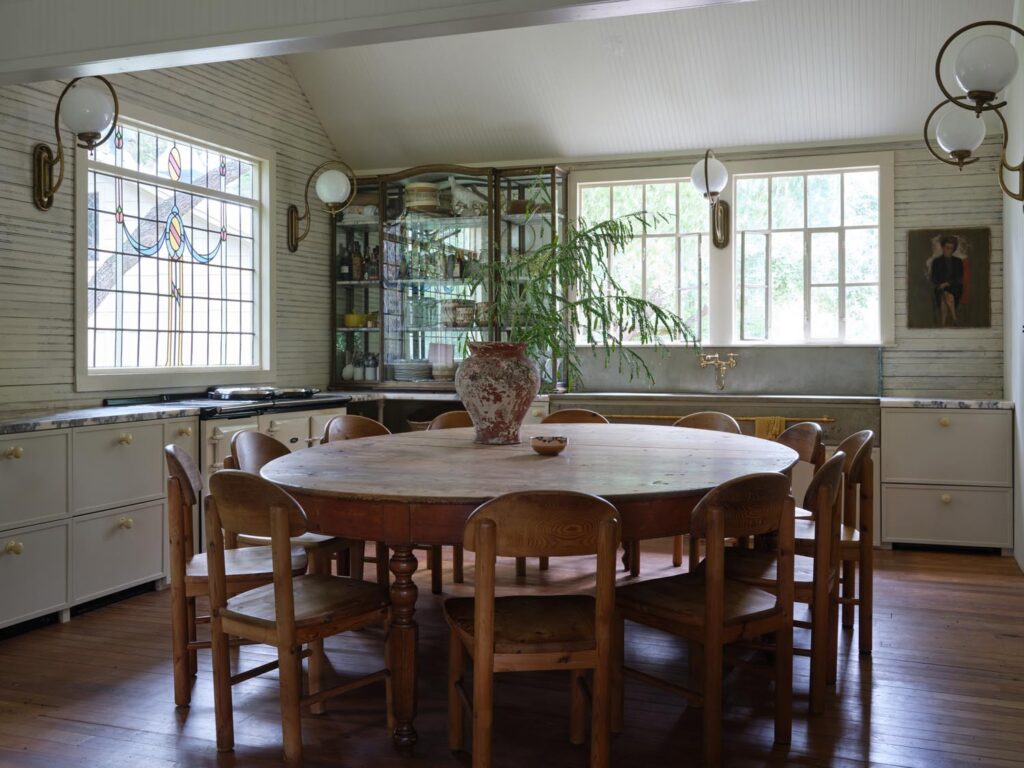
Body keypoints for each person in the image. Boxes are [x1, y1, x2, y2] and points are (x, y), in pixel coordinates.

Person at [929, 235, 964, 327]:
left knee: (947, 296)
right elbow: (933, 278)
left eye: (951, 248)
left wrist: (947, 283)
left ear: (954, 249)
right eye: (947, 247)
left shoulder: (958, 261)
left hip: (955, 287)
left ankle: (943, 325)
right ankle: (954, 319)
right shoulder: (936, 262)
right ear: (942, 247)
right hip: (940, 287)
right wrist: (942, 285)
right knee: (945, 295)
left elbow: (959, 278)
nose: (948, 250)